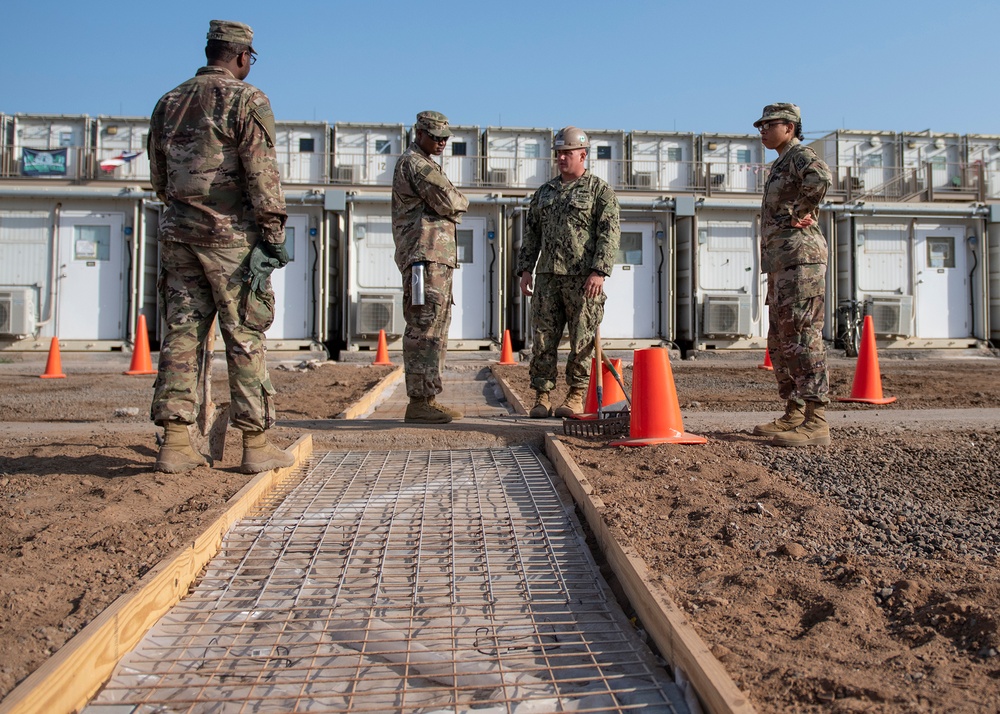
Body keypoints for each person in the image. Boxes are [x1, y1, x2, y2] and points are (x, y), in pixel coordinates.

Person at [148, 20, 295, 474]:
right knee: (244, 334)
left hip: (178, 236)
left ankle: (175, 442)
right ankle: (255, 444)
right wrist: (272, 235)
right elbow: (261, 173)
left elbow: (159, 178)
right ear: (241, 57)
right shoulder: (247, 99)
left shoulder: (168, 102)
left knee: (182, 334)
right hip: (229, 240)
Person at [516, 126, 621, 418]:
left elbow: (609, 235)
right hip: (547, 278)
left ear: (583, 155)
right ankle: (542, 396)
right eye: (559, 153)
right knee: (543, 339)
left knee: (582, 340)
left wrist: (599, 271)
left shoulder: (599, 191)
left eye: (567, 153)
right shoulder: (544, 193)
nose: (562, 158)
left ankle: (575, 395)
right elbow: (532, 233)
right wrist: (525, 269)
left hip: (582, 279)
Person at [752, 103, 833, 447]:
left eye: (768, 125)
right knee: (782, 339)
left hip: (802, 259)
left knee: (802, 335)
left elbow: (821, 177)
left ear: (789, 126)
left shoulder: (800, 155)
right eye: (761, 126)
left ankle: (817, 421)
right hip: (783, 262)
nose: (762, 131)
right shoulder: (781, 163)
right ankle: (795, 412)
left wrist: (803, 209)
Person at [391, 111, 470, 424]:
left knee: (436, 326)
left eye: (445, 138)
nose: (440, 143)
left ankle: (428, 399)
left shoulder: (426, 162)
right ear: (419, 133)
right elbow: (450, 201)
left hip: (434, 257)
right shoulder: (415, 163)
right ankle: (419, 402)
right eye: (435, 136)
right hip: (424, 258)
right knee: (424, 327)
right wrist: (460, 200)